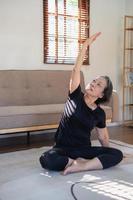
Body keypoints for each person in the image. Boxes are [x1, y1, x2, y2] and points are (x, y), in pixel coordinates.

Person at [39, 32, 123, 175]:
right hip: (62, 149)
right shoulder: (75, 95)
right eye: (94, 81)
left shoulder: (99, 113)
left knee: (117, 154)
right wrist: (85, 46)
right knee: (46, 159)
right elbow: (75, 70)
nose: (93, 84)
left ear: (101, 94)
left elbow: (103, 137)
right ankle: (75, 162)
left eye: (99, 85)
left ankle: (82, 165)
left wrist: (107, 151)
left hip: (84, 149)